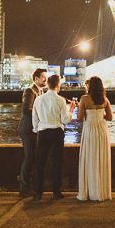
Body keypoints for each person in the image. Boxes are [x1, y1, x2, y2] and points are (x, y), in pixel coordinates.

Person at [32, 74, 76, 201]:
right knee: (57, 163)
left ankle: (38, 192)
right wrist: (71, 109)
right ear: (57, 85)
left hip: (43, 132)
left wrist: (37, 130)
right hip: (56, 132)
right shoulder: (60, 100)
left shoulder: (39, 99)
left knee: (40, 163)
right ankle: (56, 191)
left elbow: (35, 119)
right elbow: (65, 120)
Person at [77, 76, 113, 202]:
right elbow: (109, 117)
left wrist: (80, 107)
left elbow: (80, 117)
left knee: (90, 158)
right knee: (101, 158)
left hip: (90, 130)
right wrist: (100, 114)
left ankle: (90, 190)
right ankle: (101, 191)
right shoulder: (105, 99)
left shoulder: (84, 99)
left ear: (90, 86)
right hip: (102, 130)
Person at [18, 68, 47, 197]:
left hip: (35, 128)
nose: (45, 79)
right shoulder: (30, 91)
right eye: (43, 77)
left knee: (33, 158)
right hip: (28, 128)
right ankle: (24, 187)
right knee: (29, 157)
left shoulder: (40, 91)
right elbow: (26, 110)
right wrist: (42, 114)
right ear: (36, 79)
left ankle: (30, 186)